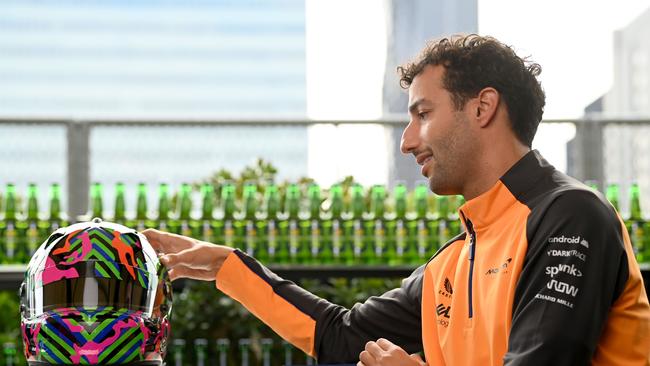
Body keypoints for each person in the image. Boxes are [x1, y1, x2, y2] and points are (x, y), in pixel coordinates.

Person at [143, 34, 650, 365]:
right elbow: (340, 338)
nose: (407, 140)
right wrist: (226, 266)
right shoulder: (455, 261)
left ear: (483, 108)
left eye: (423, 113)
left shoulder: (571, 217)